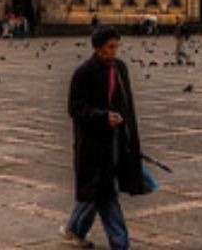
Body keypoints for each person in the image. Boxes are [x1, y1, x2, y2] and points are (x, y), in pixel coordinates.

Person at [62, 27, 147, 249]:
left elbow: (125, 103)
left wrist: (128, 132)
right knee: (104, 191)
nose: (114, 51)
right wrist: (102, 116)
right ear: (98, 48)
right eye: (110, 47)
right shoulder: (84, 72)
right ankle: (120, 243)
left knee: (97, 189)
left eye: (116, 46)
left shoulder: (119, 68)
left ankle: (74, 227)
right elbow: (75, 108)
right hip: (92, 142)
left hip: (115, 138)